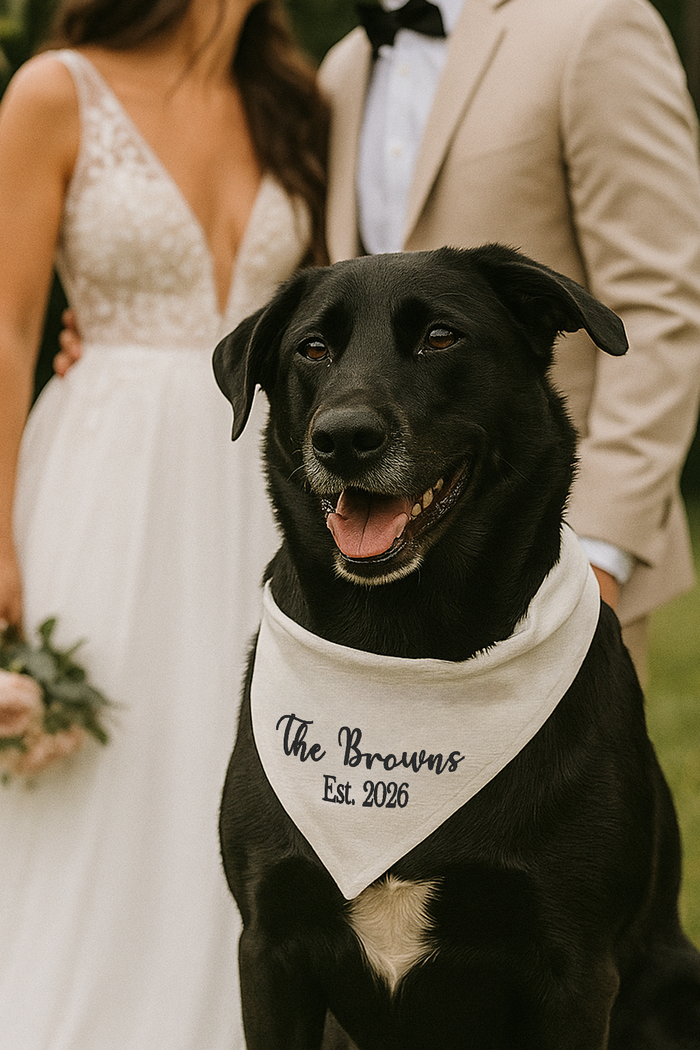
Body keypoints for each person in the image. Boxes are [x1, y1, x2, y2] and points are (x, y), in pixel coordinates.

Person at [0, 0, 327, 1047]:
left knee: (239, 764)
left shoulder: (298, 102)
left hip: (262, 490)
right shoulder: (56, 90)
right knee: (109, 773)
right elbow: (8, 332)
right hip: (108, 481)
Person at [319, 0, 700, 680]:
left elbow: (660, 302)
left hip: (550, 547)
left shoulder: (595, 25)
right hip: (383, 560)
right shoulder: (344, 68)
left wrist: (598, 553)